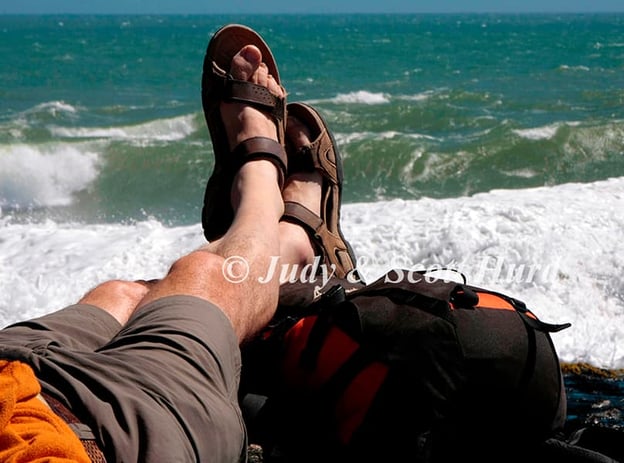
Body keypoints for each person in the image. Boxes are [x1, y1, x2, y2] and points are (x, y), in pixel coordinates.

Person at [0, 24, 357, 462]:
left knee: (122, 295)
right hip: (90, 443)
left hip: (8, 379)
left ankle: (273, 246)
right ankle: (280, 221)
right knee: (206, 275)